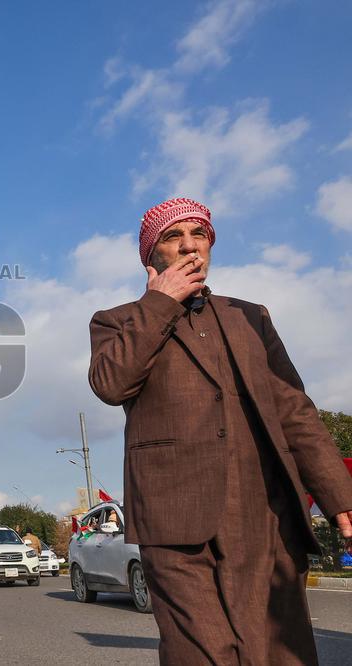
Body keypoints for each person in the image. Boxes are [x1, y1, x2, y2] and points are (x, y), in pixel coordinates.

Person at [88, 197, 352, 665]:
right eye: (174, 237)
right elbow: (111, 384)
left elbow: (295, 410)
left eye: (200, 234)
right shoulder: (119, 320)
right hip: (175, 520)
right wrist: (160, 304)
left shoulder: (250, 316)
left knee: (275, 652)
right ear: (152, 254)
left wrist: (339, 495)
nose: (190, 245)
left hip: (263, 513)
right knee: (205, 652)